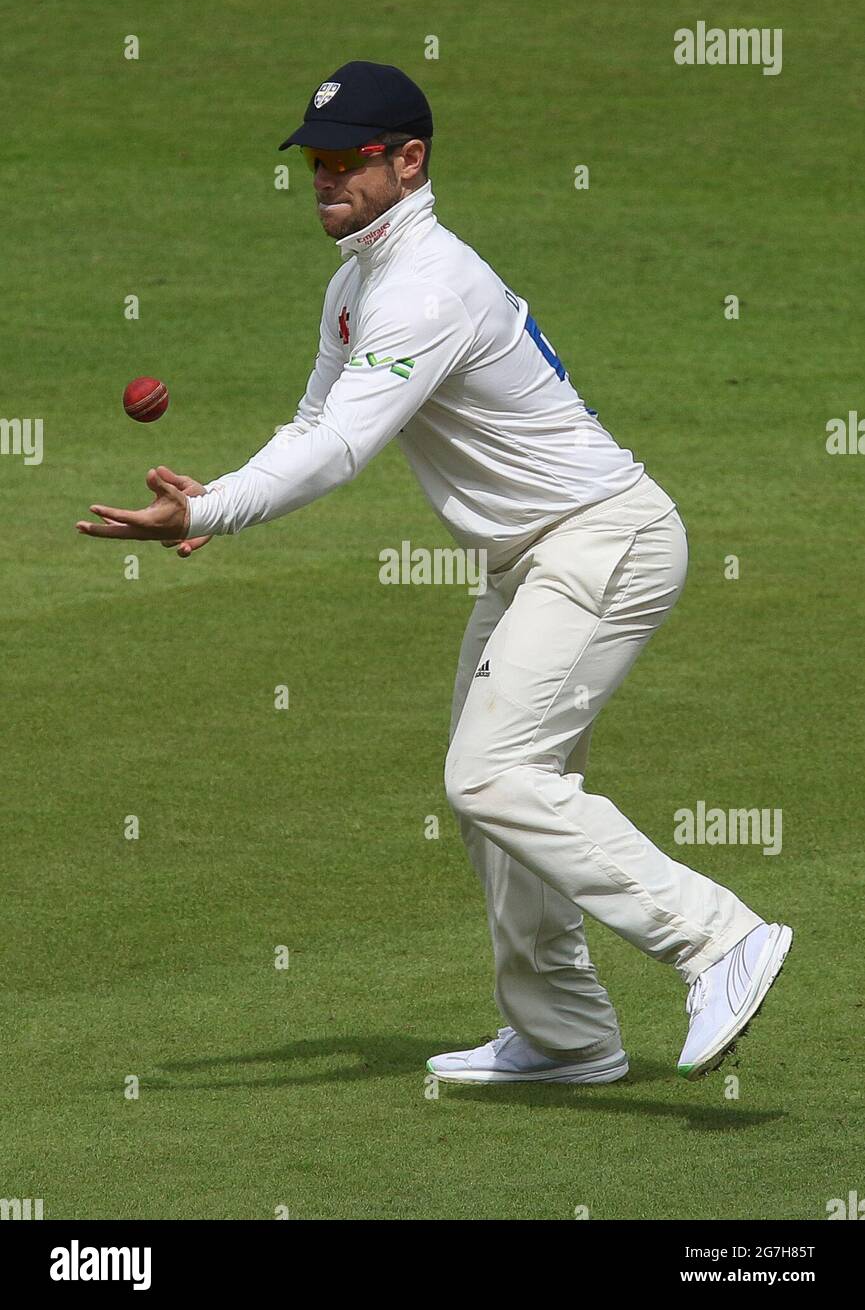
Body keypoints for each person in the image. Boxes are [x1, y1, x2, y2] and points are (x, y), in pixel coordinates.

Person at [76, 61, 792, 1084]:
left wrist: (214, 509)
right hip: (529, 560)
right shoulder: (356, 283)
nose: (326, 178)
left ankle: (719, 939)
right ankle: (564, 1033)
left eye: (350, 160)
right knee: (492, 792)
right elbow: (316, 422)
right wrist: (219, 500)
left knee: (496, 773)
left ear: (408, 161)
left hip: (602, 542)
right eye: (315, 161)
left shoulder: (425, 287)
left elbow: (341, 451)